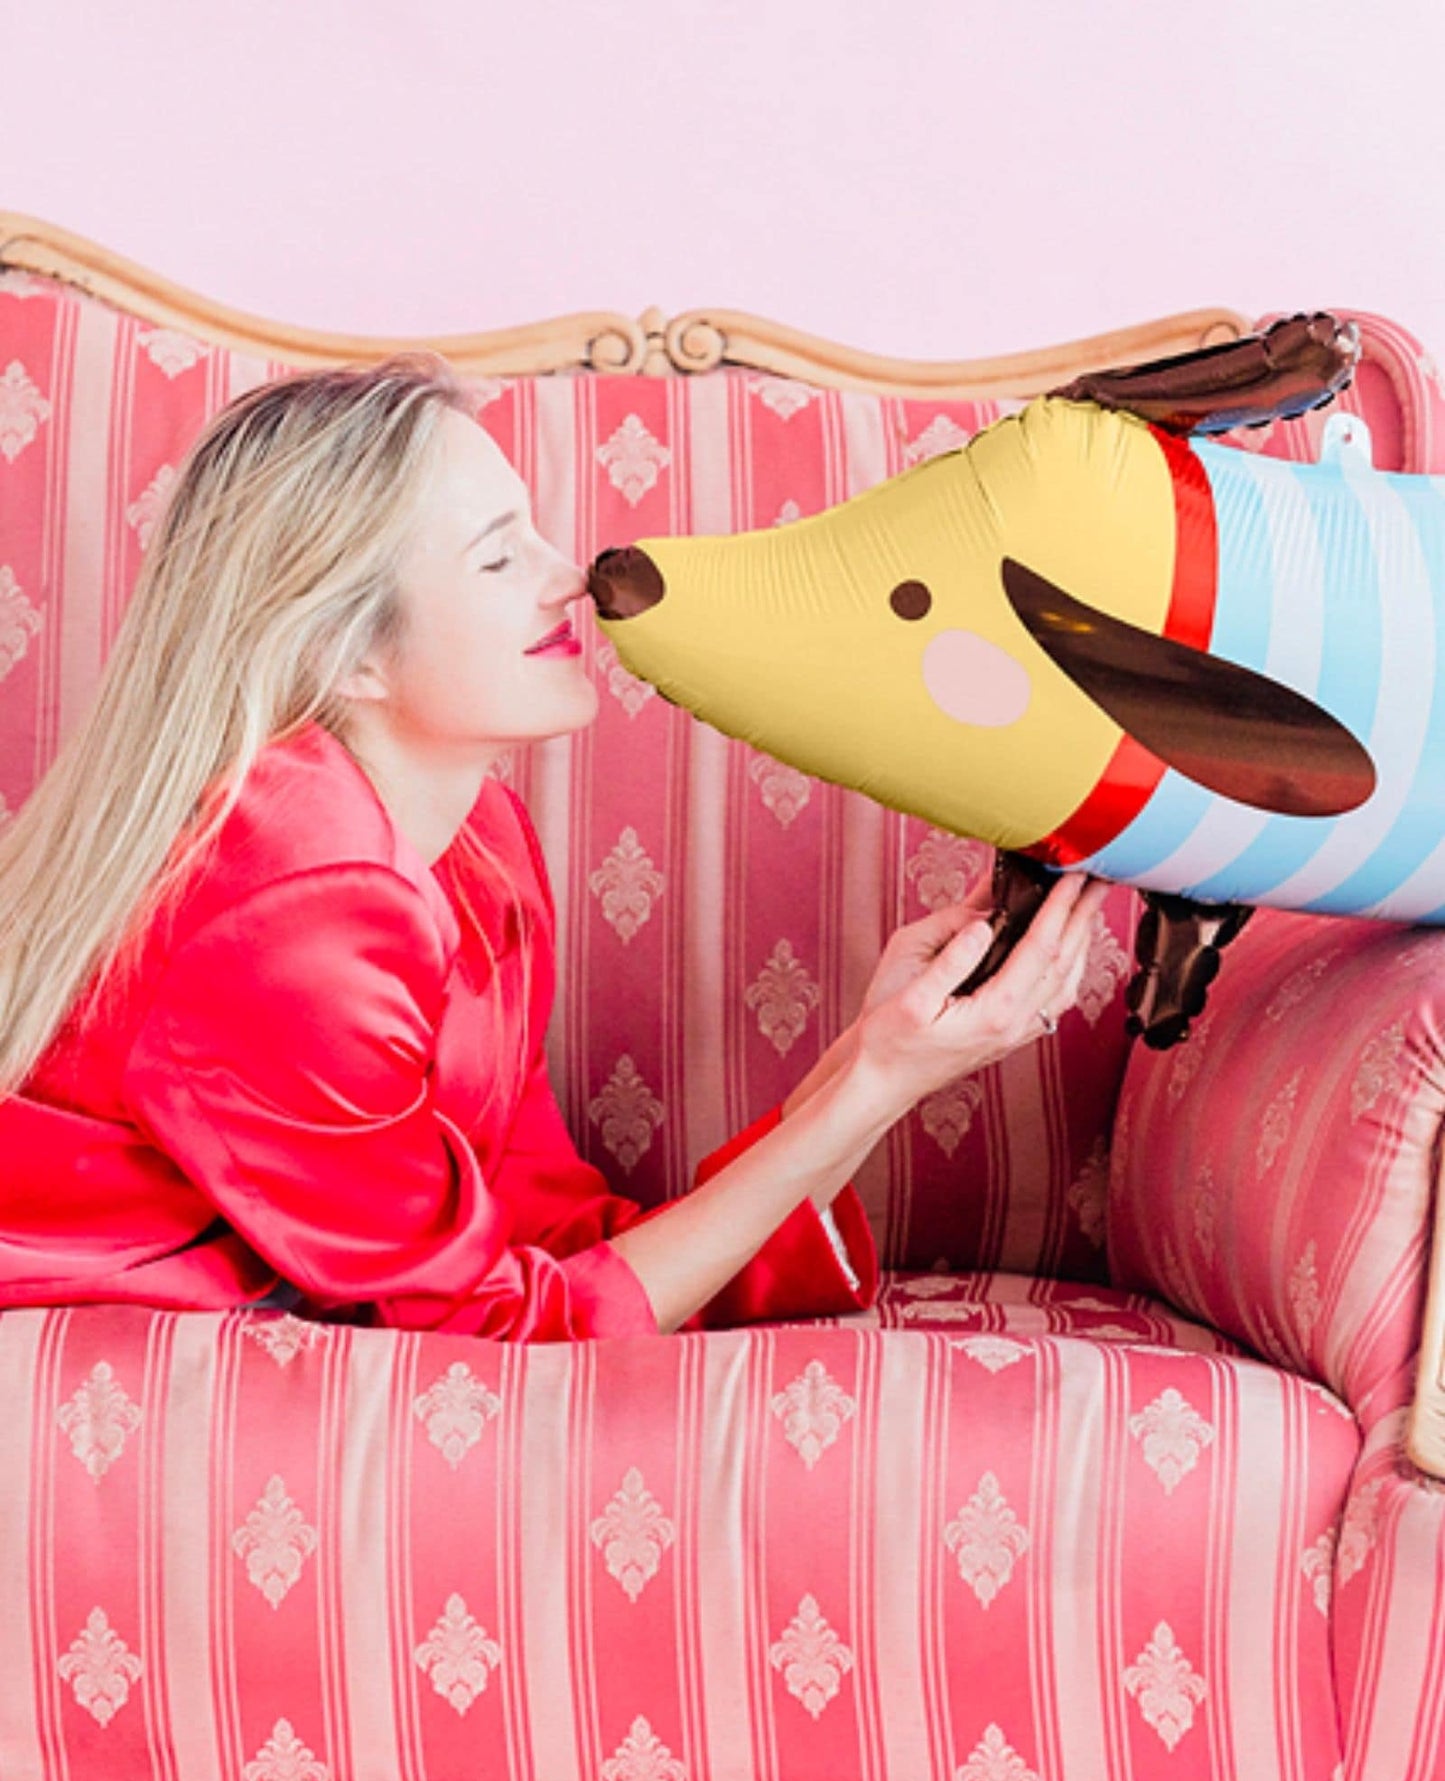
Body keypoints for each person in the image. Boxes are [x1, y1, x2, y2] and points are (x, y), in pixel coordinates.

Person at [0, 357, 1107, 1341]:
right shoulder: (300, 898)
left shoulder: (477, 840)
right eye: (495, 559)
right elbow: (491, 1327)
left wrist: (874, 1050)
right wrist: (876, 1081)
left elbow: (549, 1228)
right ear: (348, 658)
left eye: (532, 528)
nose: (567, 573)